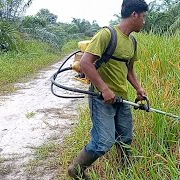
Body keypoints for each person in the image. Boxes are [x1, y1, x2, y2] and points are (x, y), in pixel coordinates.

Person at [68, 0, 149, 179]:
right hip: (101, 98)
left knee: (125, 139)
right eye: (143, 17)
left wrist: (138, 88)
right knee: (103, 143)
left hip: (122, 98)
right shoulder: (107, 34)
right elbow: (85, 63)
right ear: (134, 15)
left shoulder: (132, 42)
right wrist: (104, 89)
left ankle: (125, 172)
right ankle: (76, 170)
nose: (144, 21)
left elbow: (129, 70)